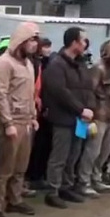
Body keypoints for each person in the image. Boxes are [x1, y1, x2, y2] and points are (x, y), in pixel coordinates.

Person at [0, 23, 39, 217]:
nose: (35, 45)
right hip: (12, 123)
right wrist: (7, 123)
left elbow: (30, 93)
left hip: (26, 121)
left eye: (36, 40)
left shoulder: (28, 64)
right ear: (21, 41)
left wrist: (33, 115)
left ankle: (15, 199)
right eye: (32, 40)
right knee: (5, 168)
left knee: (21, 166)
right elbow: (0, 94)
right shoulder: (4, 63)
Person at [41, 27, 97, 207]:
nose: (85, 44)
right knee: (59, 156)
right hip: (63, 119)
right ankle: (53, 190)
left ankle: (66, 187)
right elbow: (60, 93)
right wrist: (81, 109)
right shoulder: (57, 64)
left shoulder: (80, 64)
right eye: (83, 40)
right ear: (73, 42)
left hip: (80, 120)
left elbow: (87, 89)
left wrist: (89, 109)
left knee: (73, 155)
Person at [76, 37, 110, 196]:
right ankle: (83, 181)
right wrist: (89, 118)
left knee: (105, 151)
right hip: (98, 116)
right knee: (92, 151)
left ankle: (96, 178)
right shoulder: (97, 69)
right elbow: (88, 93)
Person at [25, 37, 54, 189]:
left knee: (41, 146)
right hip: (32, 110)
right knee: (33, 147)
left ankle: (37, 175)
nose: (46, 50)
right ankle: (31, 176)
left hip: (42, 109)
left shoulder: (47, 63)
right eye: (45, 46)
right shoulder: (32, 63)